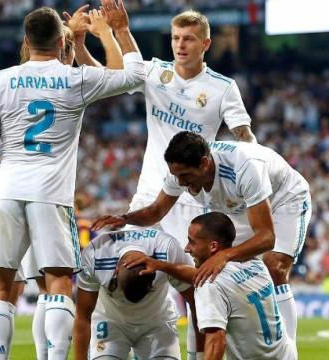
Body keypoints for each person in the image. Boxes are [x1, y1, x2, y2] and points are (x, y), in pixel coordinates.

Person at [71, 6, 257, 357]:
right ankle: (112, 346)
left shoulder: (221, 88)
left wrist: (254, 160)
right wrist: (83, 44)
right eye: (175, 38)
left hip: (196, 199)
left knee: (200, 289)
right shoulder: (156, 73)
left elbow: (243, 135)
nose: (180, 45)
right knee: (130, 276)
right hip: (149, 197)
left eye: (188, 39)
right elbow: (110, 76)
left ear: (206, 44)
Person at [0, 3, 145, 359]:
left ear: (26, 39)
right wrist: (106, 33)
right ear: (59, 39)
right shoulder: (73, 79)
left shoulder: (0, 80)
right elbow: (128, 76)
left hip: (6, 190)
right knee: (58, 282)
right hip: (51, 193)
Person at [92, 131, 312, 341]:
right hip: (243, 207)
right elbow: (156, 211)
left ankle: (286, 349)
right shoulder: (181, 171)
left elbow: (266, 237)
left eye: (185, 176)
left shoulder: (243, 168)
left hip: (284, 199)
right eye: (176, 176)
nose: (180, 183)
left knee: (274, 266)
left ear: (205, 163)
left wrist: (224, 256)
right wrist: (125, 218)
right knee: (213, 268)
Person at [123, 212, 297, 359]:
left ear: (213, 246)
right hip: (286, 354)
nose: (186, 248)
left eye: (192, 242)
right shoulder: (255, 265)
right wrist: (161, 265)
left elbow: (216, 342)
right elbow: (201, 276)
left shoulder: (210, 286)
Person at [73, 228, 203, 360]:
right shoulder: (94, 254)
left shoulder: (168, 249)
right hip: (110, 320)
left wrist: (200, 355)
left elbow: (196, 302)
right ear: (116, 270)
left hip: (156, 320)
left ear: (153, 276)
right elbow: (83, 315)